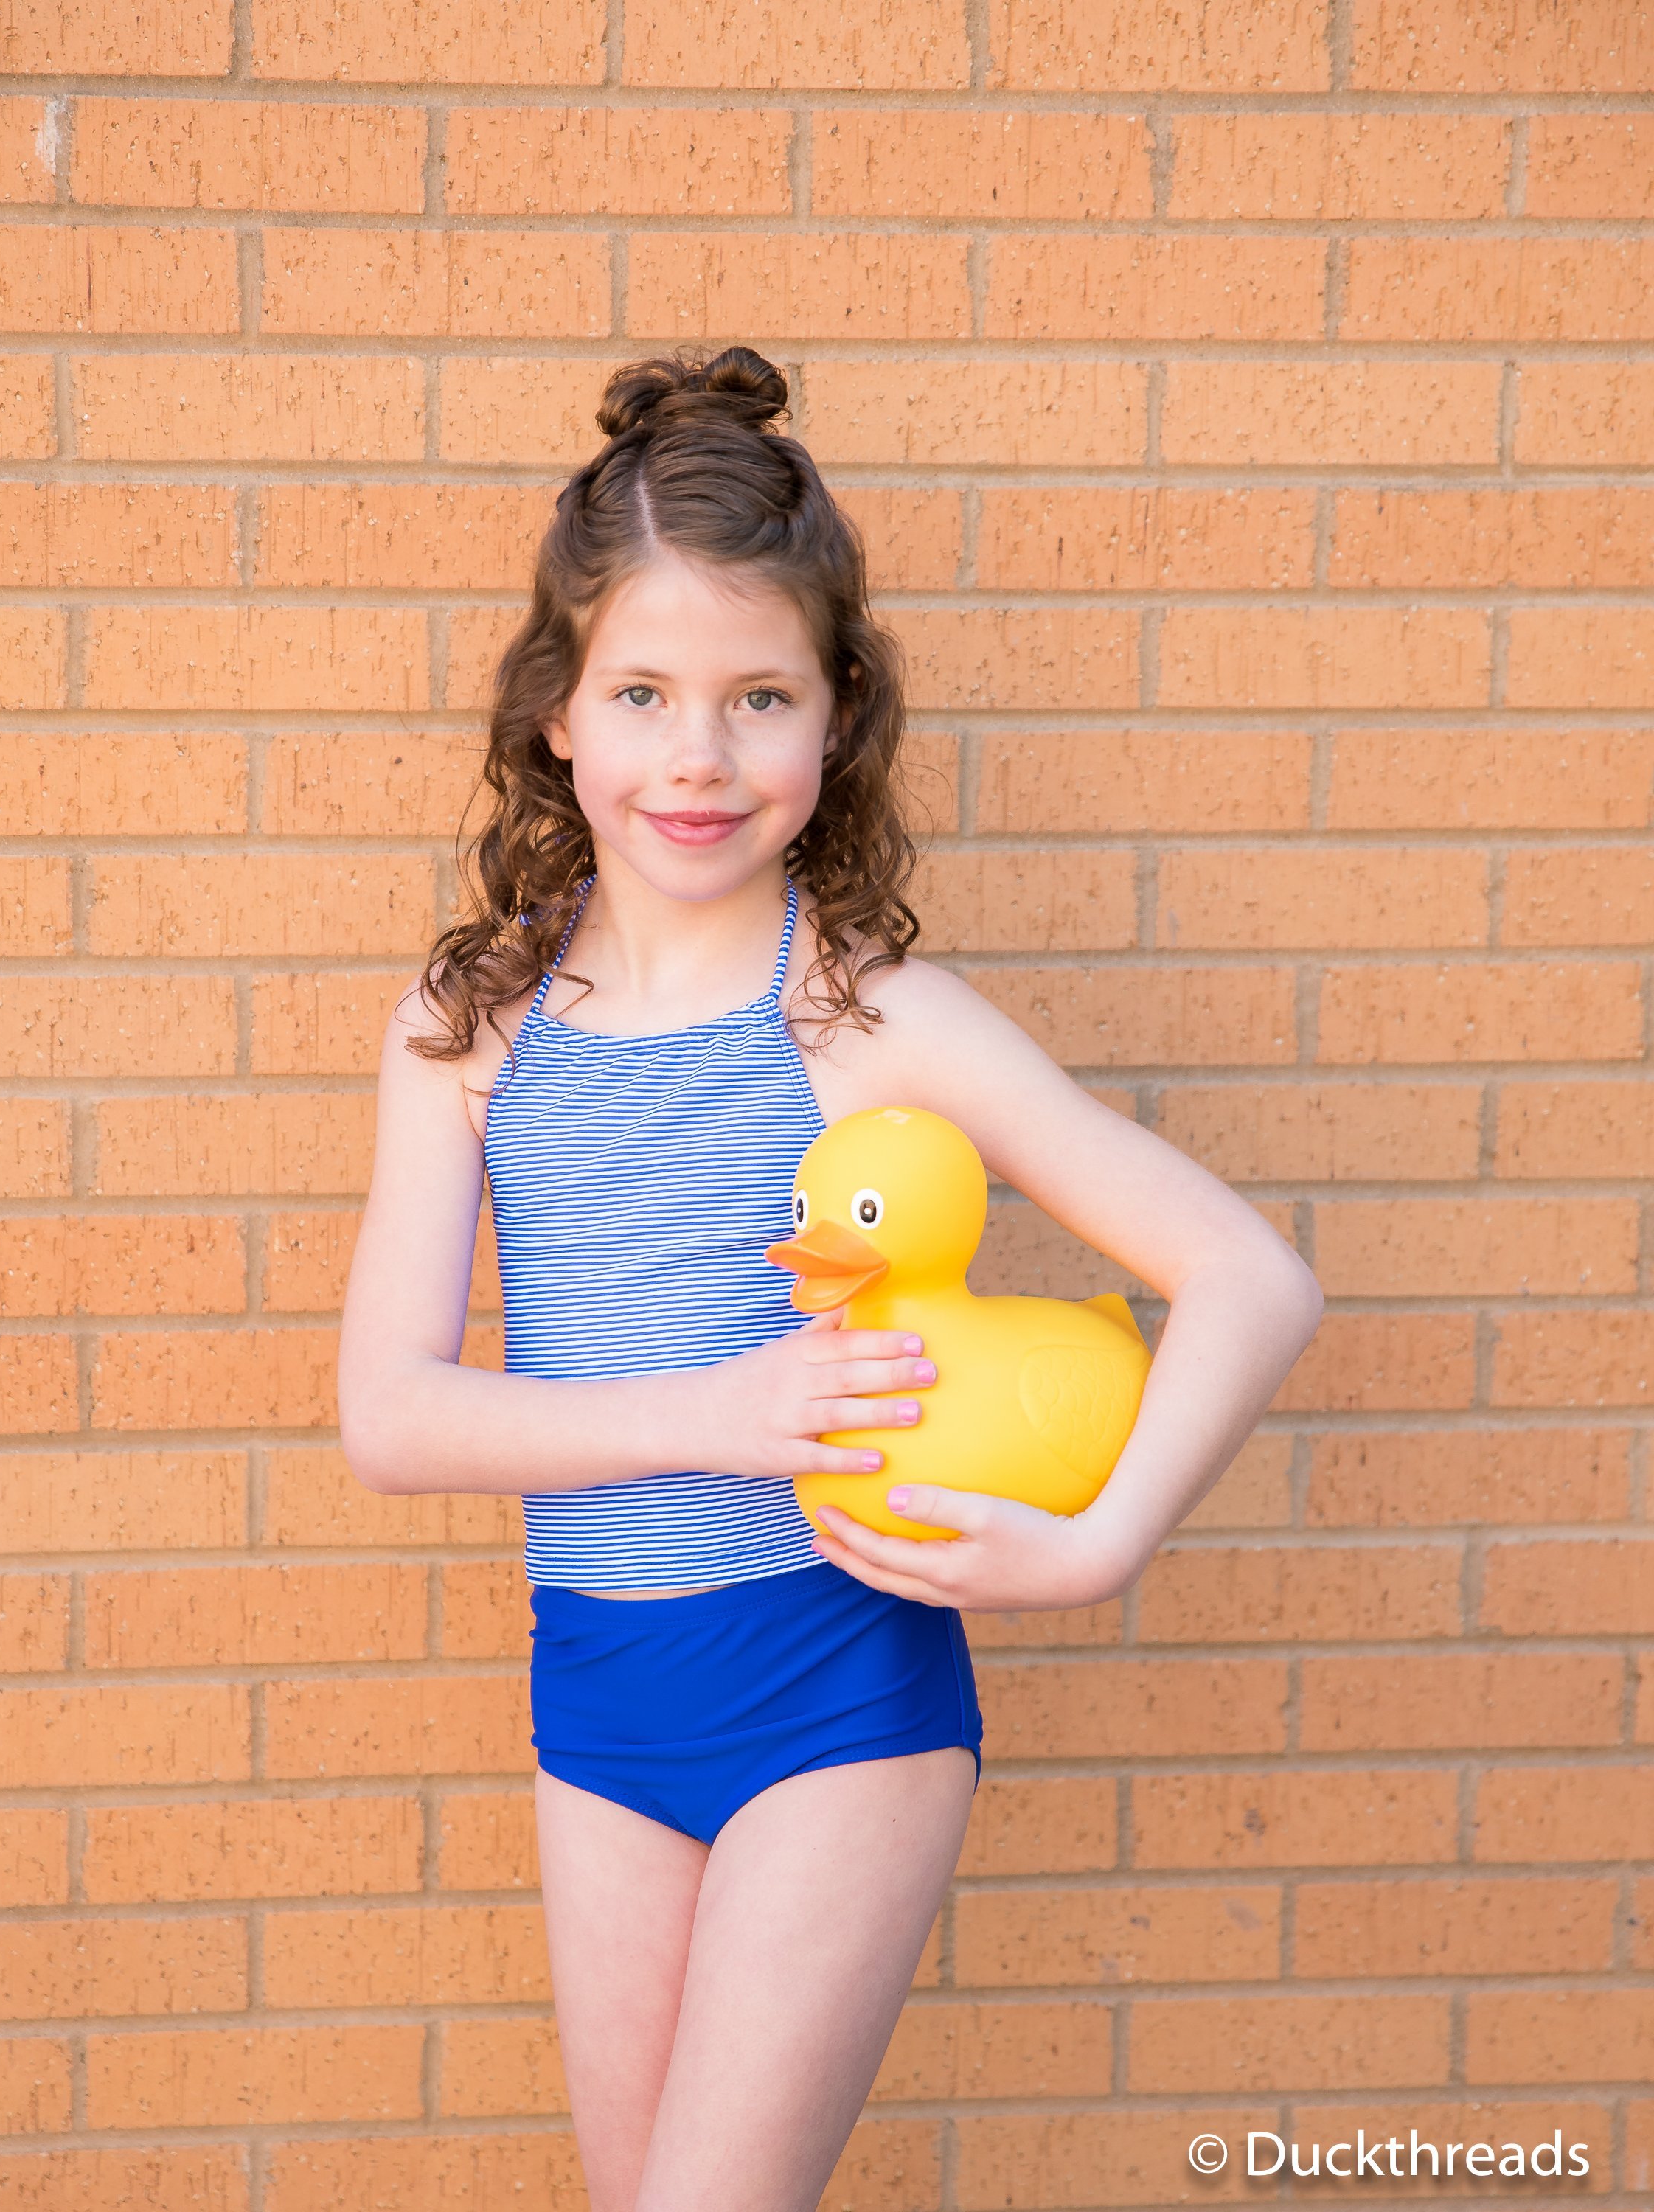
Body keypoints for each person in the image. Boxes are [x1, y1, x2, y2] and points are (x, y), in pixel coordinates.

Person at [336, 345, 1323, 2212]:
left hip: (834, 1692)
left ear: (833, 717)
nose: (696, 758)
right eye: (642, 693)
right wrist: (727, 1409)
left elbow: (1248, 1277)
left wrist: (1089, 1549)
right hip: (600, 1703)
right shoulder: (464, 1032)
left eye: (756, 697)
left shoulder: (873, 1025)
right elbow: (390, 1415)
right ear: (560, 716)